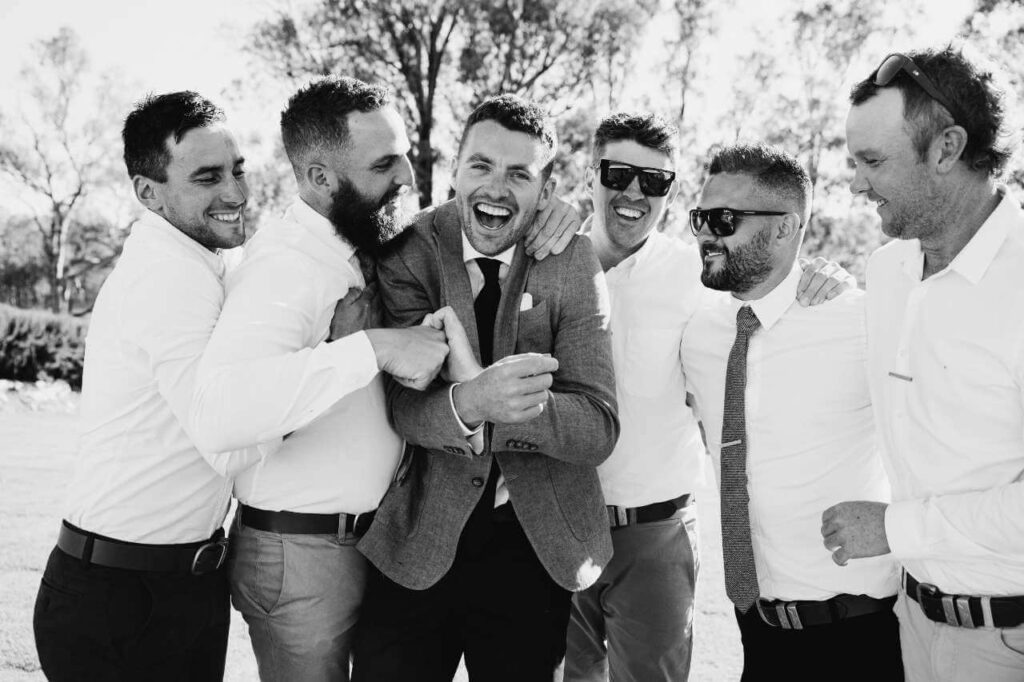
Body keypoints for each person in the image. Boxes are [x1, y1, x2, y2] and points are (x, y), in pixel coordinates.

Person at [565, 113, 861, 682]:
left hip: (654, 533)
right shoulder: (545, 263)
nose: (634, 193)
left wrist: (822, 277)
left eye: (655, 181)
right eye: (618, 174)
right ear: (590, 178)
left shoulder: (693, 276)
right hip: (554, 527)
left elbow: (762, 303)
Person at [188, 76, 450, 682]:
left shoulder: (360, 247)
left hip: (366, 548)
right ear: (321, 178)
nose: (408, 176)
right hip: (300, 557)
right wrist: (370, 347)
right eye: (384, 163)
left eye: (405, 155)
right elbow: (221, 414)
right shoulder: (284, 268)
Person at [352, 94, 619, 682]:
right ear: (454, 169)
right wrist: (471, 400)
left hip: (533, 545)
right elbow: (402, 407)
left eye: (519, 174)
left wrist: (500, 400)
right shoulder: (409, 250)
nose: (496, 188)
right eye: (481, 166)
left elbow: (598, 426)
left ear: (546, 190)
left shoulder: (572, 260)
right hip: (421, 535)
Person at [32, 91, 249, 681]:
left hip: (189, 587)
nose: (234, 192)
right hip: (115, 599)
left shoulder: (208, 263)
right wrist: (365, 355)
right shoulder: (167, 276)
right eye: (207, 177)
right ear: (148, 192)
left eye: (237, 170)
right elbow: (224, 434)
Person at [826, 45, 1024, 681]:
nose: (854, 183)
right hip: (911, 624)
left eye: (873, 161)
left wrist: (896, 529)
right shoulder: (885, 271)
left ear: (947, 148)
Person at [682, 143, 902, 681]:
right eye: (700, 218)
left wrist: (898, 524)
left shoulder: (863, 322)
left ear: (785, 228)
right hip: (756, 633)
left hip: (862, 635)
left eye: (725, 219)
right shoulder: (699, 333)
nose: (708, 233)